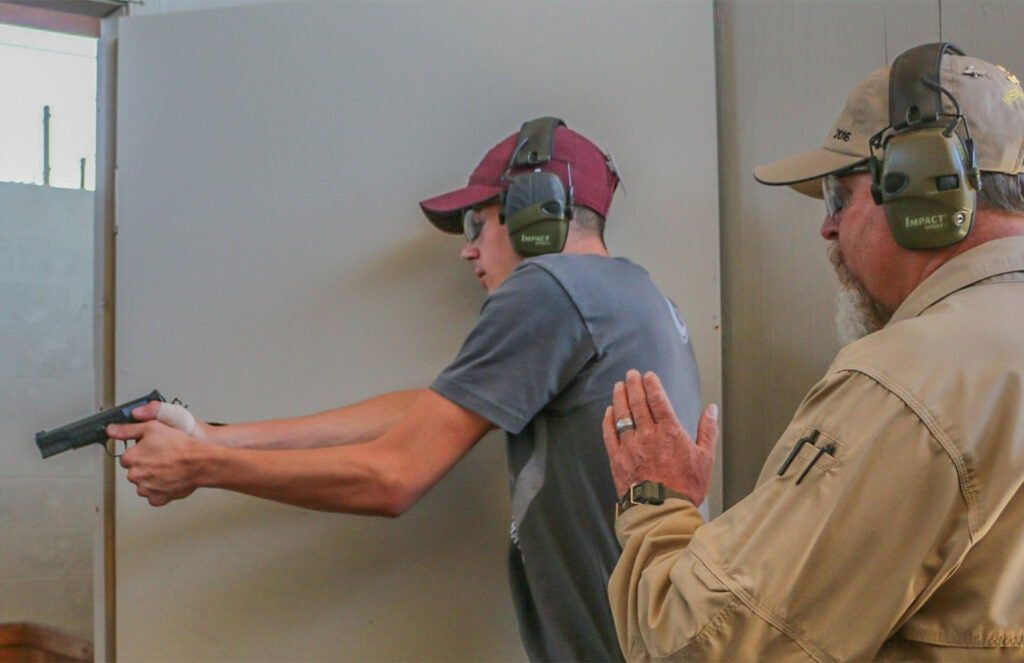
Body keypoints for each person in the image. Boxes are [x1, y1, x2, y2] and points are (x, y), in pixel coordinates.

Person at [107, 118, 704, 662]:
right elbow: (431, 410)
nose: (468, 248)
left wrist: (200, 466)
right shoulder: (628, 295)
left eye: (479, 222)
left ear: (535, 211)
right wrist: (219, 438)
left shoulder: (549, 287)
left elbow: (393, 477)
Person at [602, 44, 1024, 660]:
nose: (827, 228)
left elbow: (700, 645)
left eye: (837, 196)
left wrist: (656, 504)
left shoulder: (908, 383)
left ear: (923, 190)